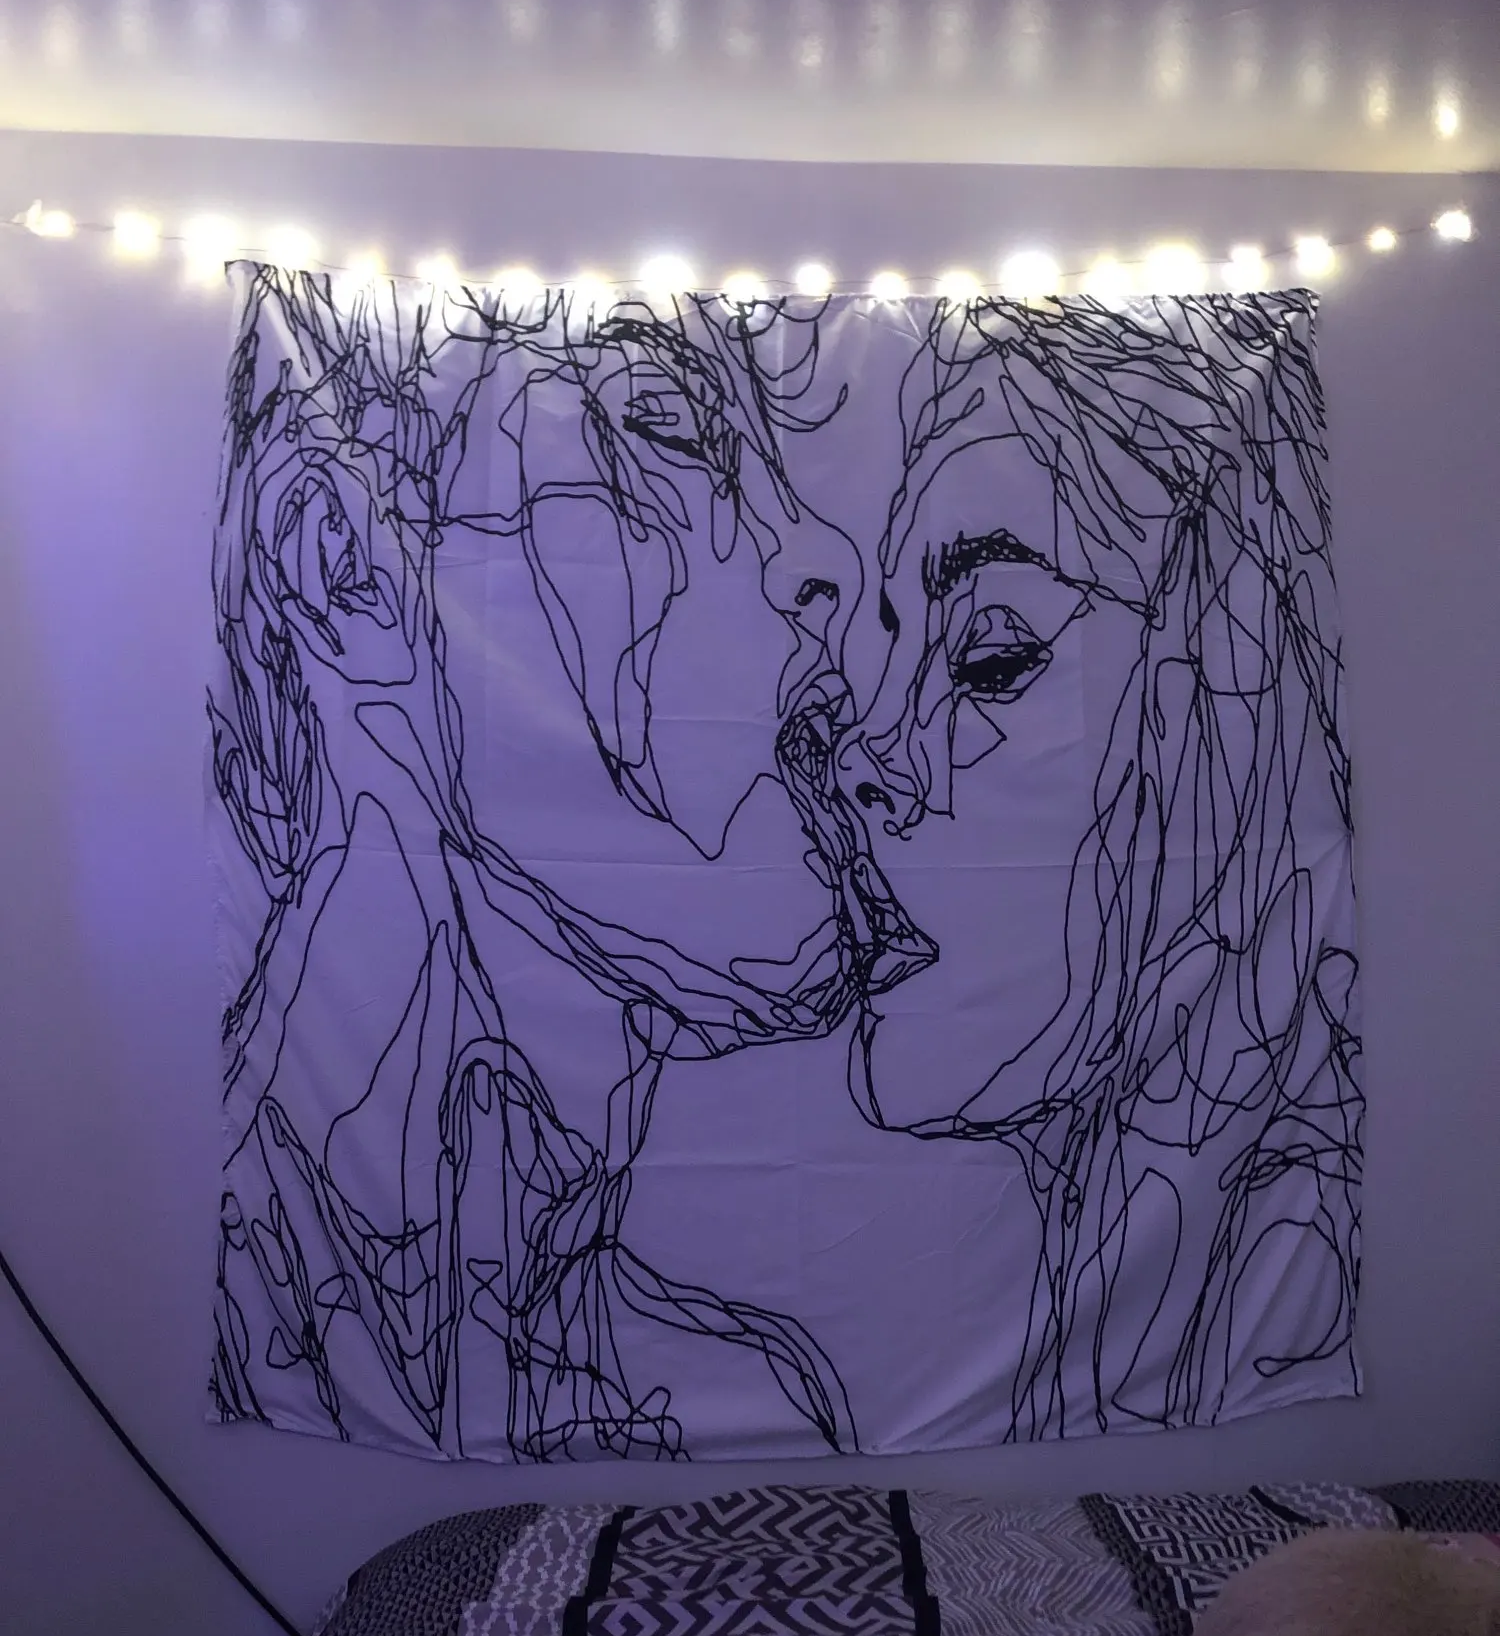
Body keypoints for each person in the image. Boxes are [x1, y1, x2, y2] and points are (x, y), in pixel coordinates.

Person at [209, 265, 1359, 1460]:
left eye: (990, 661)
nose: (822, 560)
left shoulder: (714, 1367)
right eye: (668, 428)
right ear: (340, 559)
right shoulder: (279, 1258)